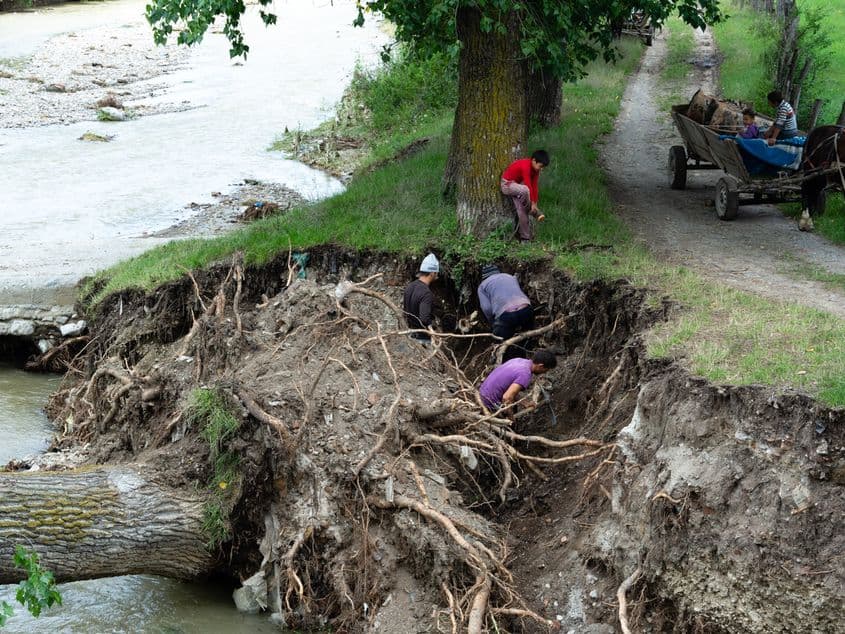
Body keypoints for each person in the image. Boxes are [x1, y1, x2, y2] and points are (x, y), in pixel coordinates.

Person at [478, 349, 557, 411]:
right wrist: (510, 418)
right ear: (541, 366)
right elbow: (507, 397)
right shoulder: (525, 374)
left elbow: (508, 389)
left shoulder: (519, 360)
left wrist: (525, 403)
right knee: (508, 420)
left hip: (481, 394)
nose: (545, 373)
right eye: (546, 370)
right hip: (489, 403)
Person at [501, 149, 550, 242]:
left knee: (522, 212)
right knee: (525, 189)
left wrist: (535, 203)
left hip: (517, 188)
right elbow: (528, 184)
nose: (541, 169)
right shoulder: (525, 166)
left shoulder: (536, 171)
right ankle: (533, 212)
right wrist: (531, 204)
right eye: (541, 166)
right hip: (507, 185)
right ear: (534, 160)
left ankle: (525, 238)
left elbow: (534, 186)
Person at [477, 265, 534, 341]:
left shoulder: (482, 286)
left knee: (500, 340)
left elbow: (487, 308)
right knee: (528, 337)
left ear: (484, 276)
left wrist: (492, 322)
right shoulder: (510, 277)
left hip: (506, 315)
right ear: (498, 271)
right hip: (526, 309)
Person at [403, 253, 439, 343]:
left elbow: (405, 312)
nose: (437, 275)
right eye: (436, 273)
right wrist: (434, 327)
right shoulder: (426, 293)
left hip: (410, 335)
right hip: (423, 339)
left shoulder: (409, 287)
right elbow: (424, 318)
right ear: (431, 273)